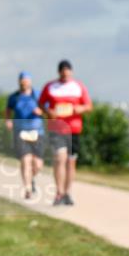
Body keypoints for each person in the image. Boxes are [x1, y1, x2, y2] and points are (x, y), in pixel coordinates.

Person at [39, 59, 92, 206]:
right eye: (63, 74)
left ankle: (67, 193)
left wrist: (80, 109)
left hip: (74, 129)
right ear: (59, 73)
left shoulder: (78, 86)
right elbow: (41, 103)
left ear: (71, 72)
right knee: (59, 158)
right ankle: (59, 192)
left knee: (70, 161)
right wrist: (48, 111)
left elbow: (88, 106)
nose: (65, 76)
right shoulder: (50, 86)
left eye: (68, 74)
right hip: (56, 128)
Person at [5, 71, 45, 200]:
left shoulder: (37, 95)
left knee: (38, 164)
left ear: (30, 82)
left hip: (37, 132)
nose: (24, 84)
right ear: (19, 82)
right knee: (25, 160)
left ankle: (31, 179)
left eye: (26, 81)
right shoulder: (14, 97)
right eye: (22, 82)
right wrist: (8, 121)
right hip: (20, 132)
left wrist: (41, 111)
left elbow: (48, 110)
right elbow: (8, 110)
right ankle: (27, 188)